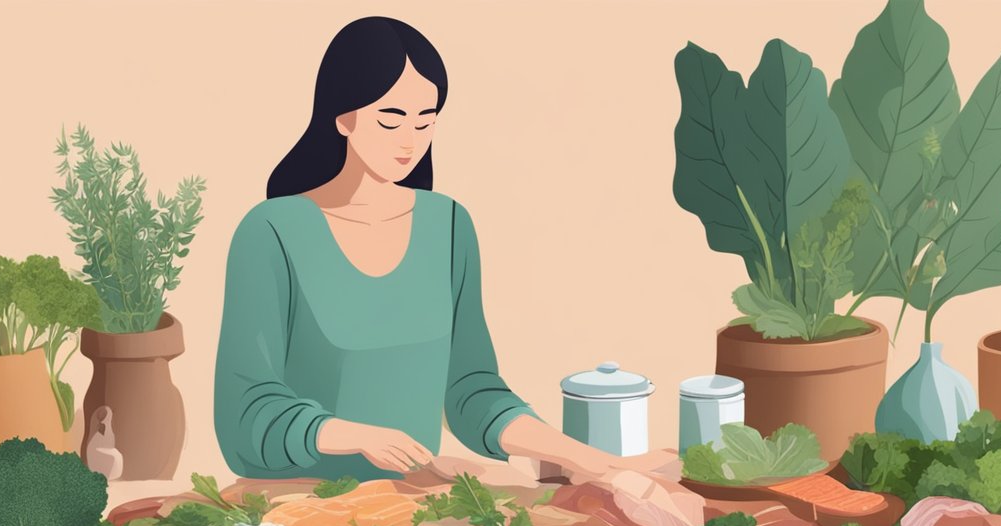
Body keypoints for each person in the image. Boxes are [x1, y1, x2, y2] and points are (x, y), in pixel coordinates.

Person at [215, 16, 669, 481]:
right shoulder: (270, 231)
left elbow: (471, 390)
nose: (410, 141)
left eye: (425, 121)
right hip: (292, 502)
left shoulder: (448, 225)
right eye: (391, 119)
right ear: (343, 116)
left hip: (414, 501)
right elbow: (247, 411)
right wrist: (354, 435)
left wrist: (587, 458)